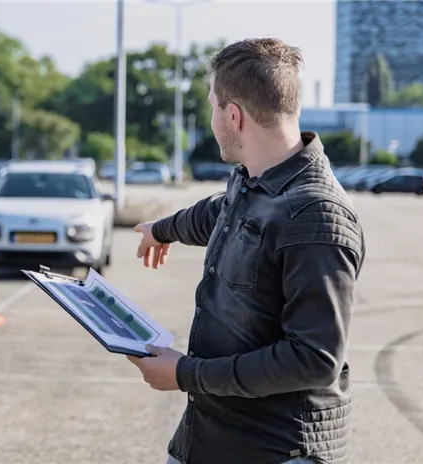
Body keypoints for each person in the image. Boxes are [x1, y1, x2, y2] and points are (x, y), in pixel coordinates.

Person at [128, 38, 365, 464]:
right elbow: (220, 212)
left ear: (232, 116)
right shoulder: (255, 180)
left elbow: (314, 358)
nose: (212, 117)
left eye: (213, 105)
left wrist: (186, 374)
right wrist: (163, 229)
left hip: (275, 450)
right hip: (210, 439)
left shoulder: (316, 216)